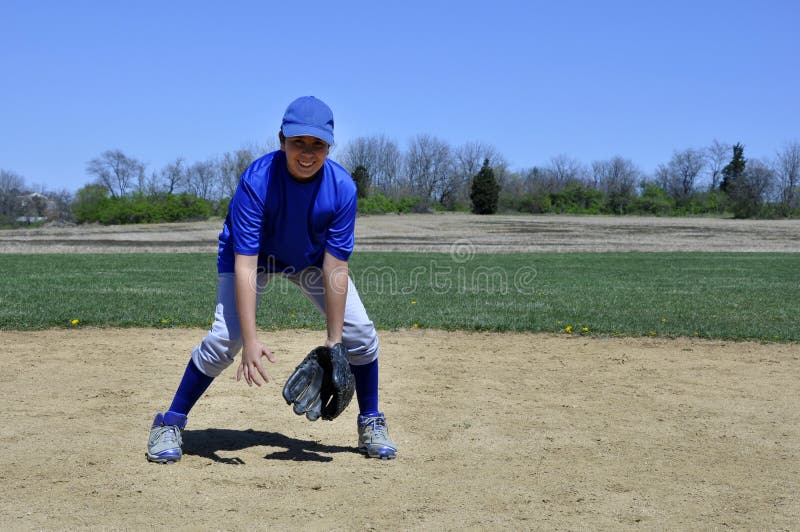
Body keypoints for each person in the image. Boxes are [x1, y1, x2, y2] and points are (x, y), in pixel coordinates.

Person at [146, 96, 397, 462]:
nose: (307, 153)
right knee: (224, 340)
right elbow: (246, 263)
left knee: (359, 335)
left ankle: (370, 420)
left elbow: (336, 267)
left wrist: (333, 342)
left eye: (317, 145)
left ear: (329, 146)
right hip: (254, 259)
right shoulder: (258, 180)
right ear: (282, 140)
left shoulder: (342, 188)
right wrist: (249, 340)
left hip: (311, 261)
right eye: (298, 142)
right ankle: (169, 422)